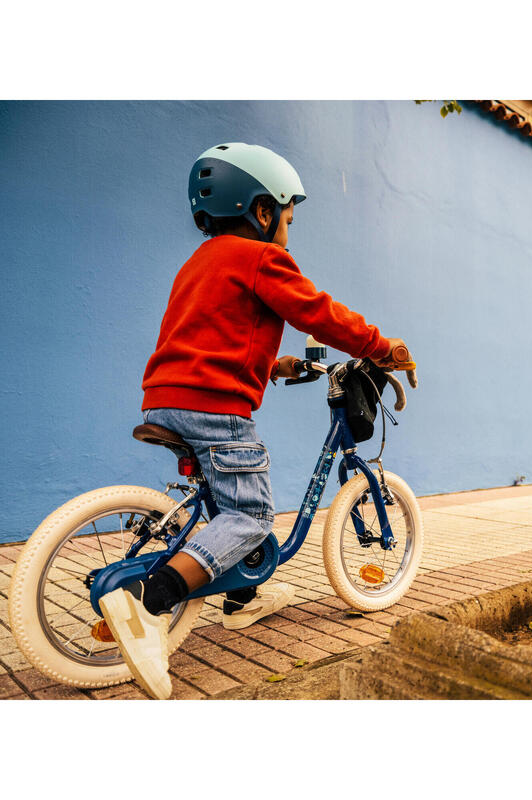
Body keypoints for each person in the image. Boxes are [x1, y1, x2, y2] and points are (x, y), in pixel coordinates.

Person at [99, 142, 410, 699]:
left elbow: (212, 338)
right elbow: (317, 311)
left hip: (167, 396)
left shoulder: (197, 264)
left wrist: (278, 365)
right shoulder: (263, 257)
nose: (288, 229)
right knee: (252, 514)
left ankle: (243, 597)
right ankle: (149, 601)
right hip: (215, 408)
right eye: (288, 217)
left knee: (228, 496)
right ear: (262, 211)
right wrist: (381, 347)